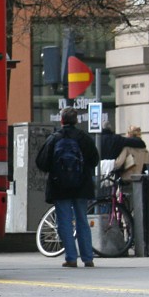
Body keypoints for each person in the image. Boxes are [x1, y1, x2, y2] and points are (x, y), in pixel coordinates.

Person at [36, 107, 101, 267]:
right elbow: (94, 160)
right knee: (82, 221)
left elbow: (41, 162)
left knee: (64, 221)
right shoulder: (84, 138)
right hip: (81, 185)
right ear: (76, 120)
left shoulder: (54, 138)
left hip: (60, 187)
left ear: (61, 120)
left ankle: (71, 258)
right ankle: (88, 258)